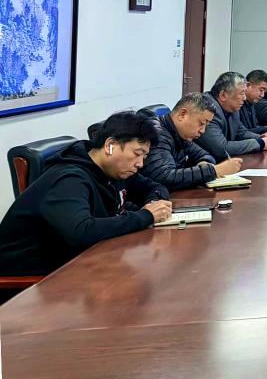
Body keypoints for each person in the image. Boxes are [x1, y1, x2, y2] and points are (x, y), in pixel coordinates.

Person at [0, 111, 172, 277]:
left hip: (81, 262)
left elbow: (155, 187)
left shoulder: (116, 170)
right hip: (30, 280)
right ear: (110, 145)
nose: (140, 164)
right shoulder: (69, 178)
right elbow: (81, 232)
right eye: (137, 154)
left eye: (144, 157)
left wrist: (154, 204)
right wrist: (146, 216)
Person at [140, 93, 243, 190]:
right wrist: (214, 171)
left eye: (206, 126)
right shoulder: (157, 134)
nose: (202, 131)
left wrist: (204, 164)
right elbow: (164, 177)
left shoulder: (180, 135)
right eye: (201, 123)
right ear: (182, 114)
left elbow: (204, 155)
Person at [196, 72, 267, 157]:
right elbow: (221, 148)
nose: (244, 98)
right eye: (242, 93)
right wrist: (261, 143)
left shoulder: (231, 107)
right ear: (223, 95)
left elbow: (240, 132)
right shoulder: (207, 109)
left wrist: (263, 137)